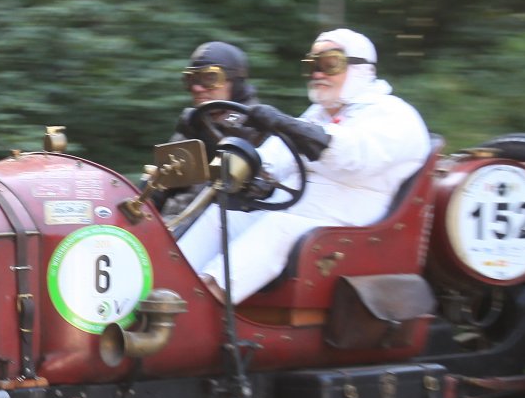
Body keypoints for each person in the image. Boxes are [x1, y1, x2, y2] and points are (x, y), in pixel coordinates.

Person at [176, 28, 431, 304]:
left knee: (278, 228)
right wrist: (243, 163)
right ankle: (165, 285)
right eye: (312, 65)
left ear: (360, 69)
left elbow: (352, 157)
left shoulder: (394, 114)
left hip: (349, 225)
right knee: (222, 215)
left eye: (329, 64)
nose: (317, 73)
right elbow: (272, 158)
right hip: (298, 212)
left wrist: (287, 124)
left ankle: (199, 304)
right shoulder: (319, 114)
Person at [156, 41, 260, 223]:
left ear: (235, 82)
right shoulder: (195, 121)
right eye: (191, 79)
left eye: (210, 78)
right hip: (174, 223)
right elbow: (162, 183)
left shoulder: (259, 128)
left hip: (226, 226)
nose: (197, 88)